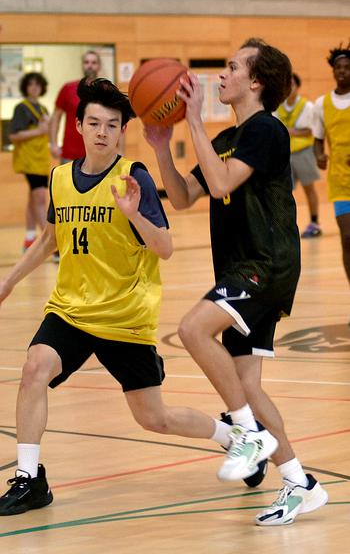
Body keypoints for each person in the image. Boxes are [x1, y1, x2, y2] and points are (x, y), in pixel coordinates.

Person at [0, 77, 246, 517]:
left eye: (111, 125)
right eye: (93, 123)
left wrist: (135, 216)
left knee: (154, 418)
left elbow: (166, 248)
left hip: (125, 316)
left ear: (121, 132)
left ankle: (235, 438)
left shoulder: (134, 177)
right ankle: (29, 478)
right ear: (77, 126)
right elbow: (49, 240)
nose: (101, 132)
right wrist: (11, 280)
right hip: (71, 310)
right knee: (35, 367)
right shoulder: (59, 177)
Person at [145, 38, 328, 526]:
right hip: (244, 267)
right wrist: (163, 148)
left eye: (231, 67)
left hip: (264, 264)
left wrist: (194, 121)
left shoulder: (267, 129)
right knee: (247, 385)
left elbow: (223, 183)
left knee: (191, 329)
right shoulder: (230, 138)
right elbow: (184, 196)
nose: (221, 76)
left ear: (256, 81)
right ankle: (299, 482)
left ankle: (248, 435)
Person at [313, 42, 350, 287]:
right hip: (340, 182)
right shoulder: (321, 105)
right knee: (347, 237)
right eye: (339, 66)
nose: (343, 71)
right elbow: (318, 141)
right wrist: (319, 156)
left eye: (348, 67)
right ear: (333, 70)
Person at [275, 73, 321, 238]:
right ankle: (285, 225)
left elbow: (311, 130)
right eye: (287, 84)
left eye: (293, 84)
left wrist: (292, 132)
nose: (290, 87)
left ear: (298, 86)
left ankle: (314, 223)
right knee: (284, 191)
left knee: (309, 189)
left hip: (303, 152)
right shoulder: (277, 106)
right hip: (285, 154)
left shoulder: (307, 106)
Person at [9, 72, 50, 252]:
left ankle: (29, 238)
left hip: (41, 159)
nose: (34, 88)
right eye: (31, 84)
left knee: (33, 199)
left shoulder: (43, 110)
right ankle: (49, 242)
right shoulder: (21, 108)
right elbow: (14, 135)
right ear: (25, 87)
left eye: (38, 85)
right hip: (28, 160)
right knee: (40, 198)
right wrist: (39, 131)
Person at [49, 50, 101, 163]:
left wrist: (119, 149)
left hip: (99, 154)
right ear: (82, 65)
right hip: (70, 155)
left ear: (99, 66)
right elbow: (56, 118)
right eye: (86, 62)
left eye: (94, 62)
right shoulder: (68, 88)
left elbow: (117, 121)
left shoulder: (107, 91)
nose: (90, 65)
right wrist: (53, 143)